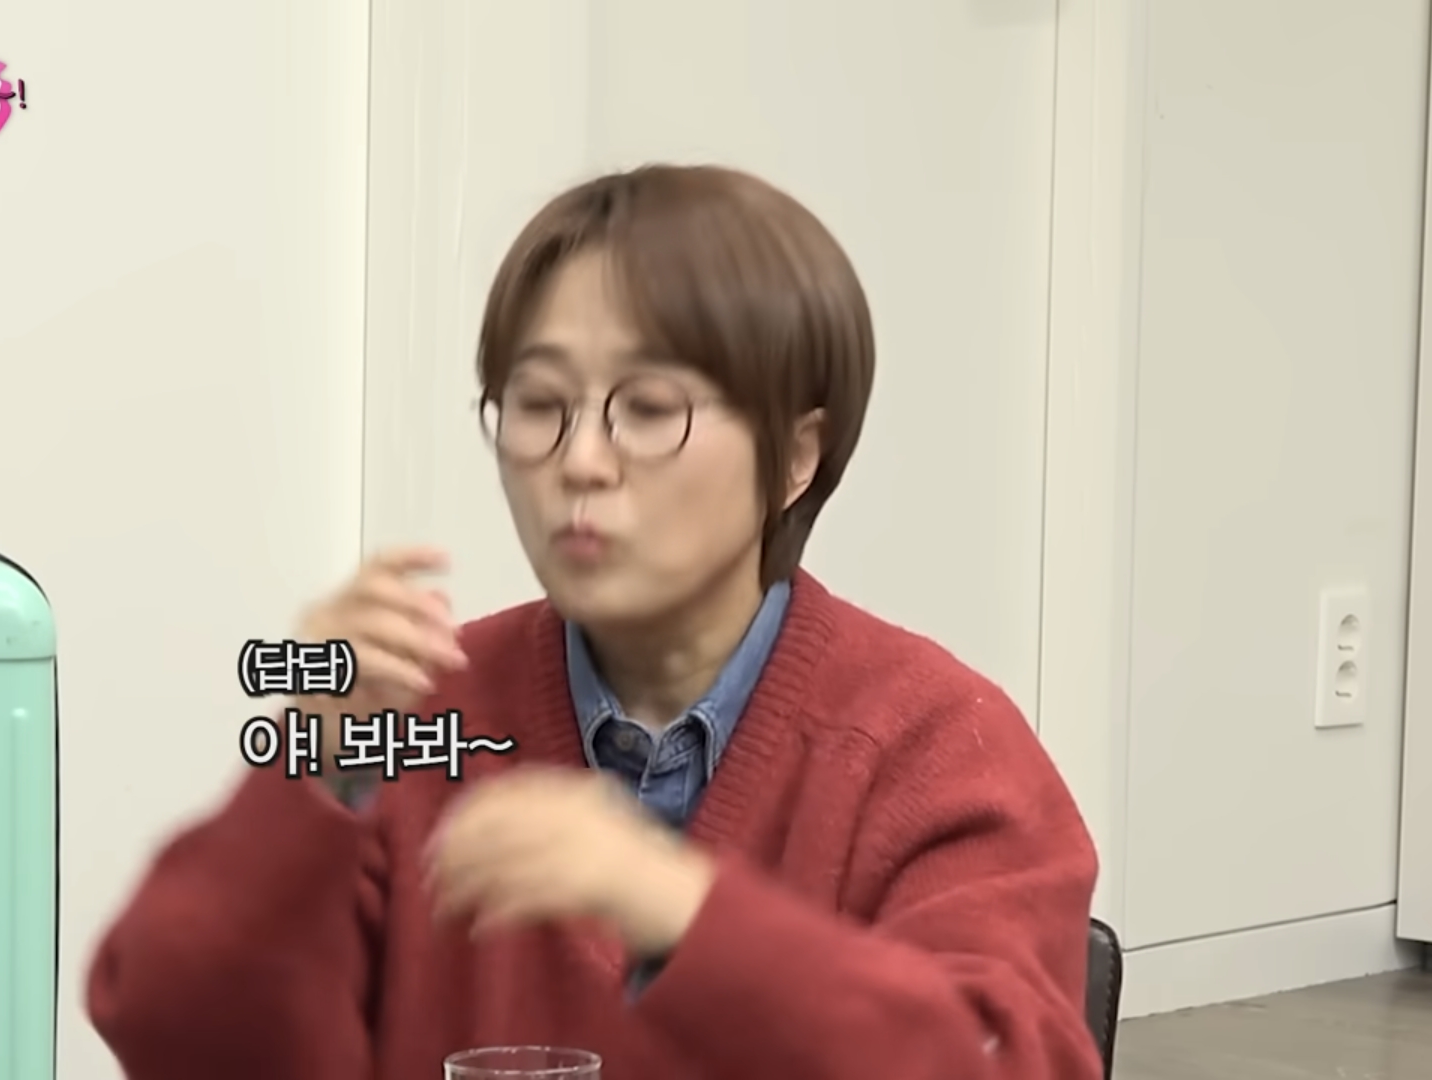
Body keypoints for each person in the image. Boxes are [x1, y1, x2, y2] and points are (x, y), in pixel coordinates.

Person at [86, 164, 1104, 1080]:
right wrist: (306, 771)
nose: (579, 460)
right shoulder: (414, 716)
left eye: (649, 409)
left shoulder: (937, 748)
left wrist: (675, 907)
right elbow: (177, 1039)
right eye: (539, 405)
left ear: (796, 457)